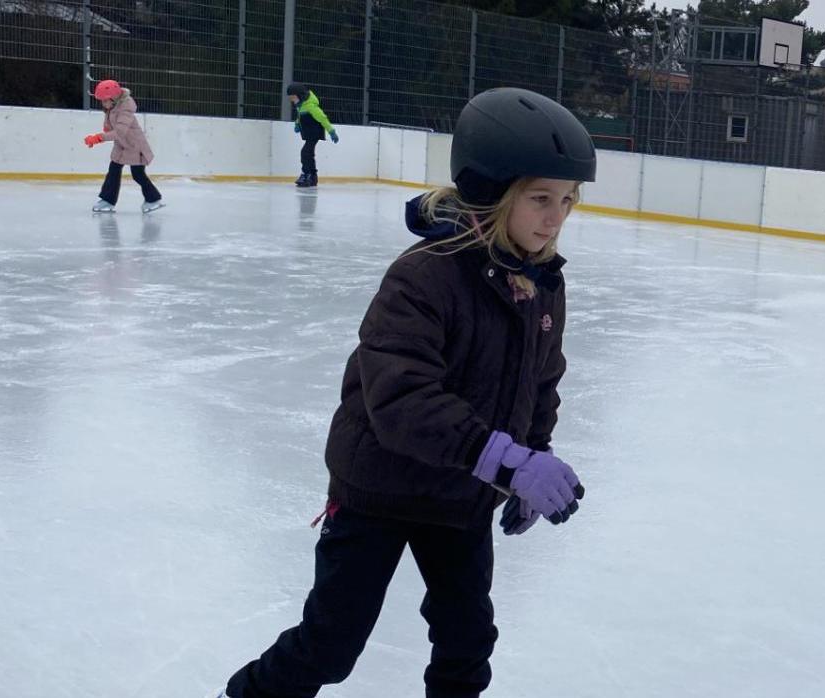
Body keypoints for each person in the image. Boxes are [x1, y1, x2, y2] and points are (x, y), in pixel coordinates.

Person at [217, 87, 596, 698]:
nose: (556, 217)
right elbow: (400, 400)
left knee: (467, 643)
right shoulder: (425, 276)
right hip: (379, 488)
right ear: (491, 194)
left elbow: (540, 382)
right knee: (330, 643)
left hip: (461, 494)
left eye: (568, 201)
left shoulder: (541, 283)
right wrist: (508, 460)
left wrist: (532, 455)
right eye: (539, 199)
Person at [83, 80, 163, 214]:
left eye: (104, 100)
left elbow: (120, 131)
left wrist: (98, 138)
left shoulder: (125, 108)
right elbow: (112, 127)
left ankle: (153, 199)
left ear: (114, 98)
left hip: (134, 145)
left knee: (138, 174)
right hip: (122, 145)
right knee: (113, 170)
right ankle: (107, 200)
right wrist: (105, 131)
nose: (102, 104)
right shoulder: (112, 108)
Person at [287, 84, 338, 188]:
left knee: (305, 153)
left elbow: (322, 118)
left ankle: (306, 174)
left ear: (300, 95)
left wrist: (331, 131)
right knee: (309, 154)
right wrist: (297, 123)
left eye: (293, 97)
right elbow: (299, 116)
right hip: (308, 132)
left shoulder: (311, 106)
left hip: (314, 132)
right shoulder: (300, 105)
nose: (291, 100)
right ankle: (313, 177)